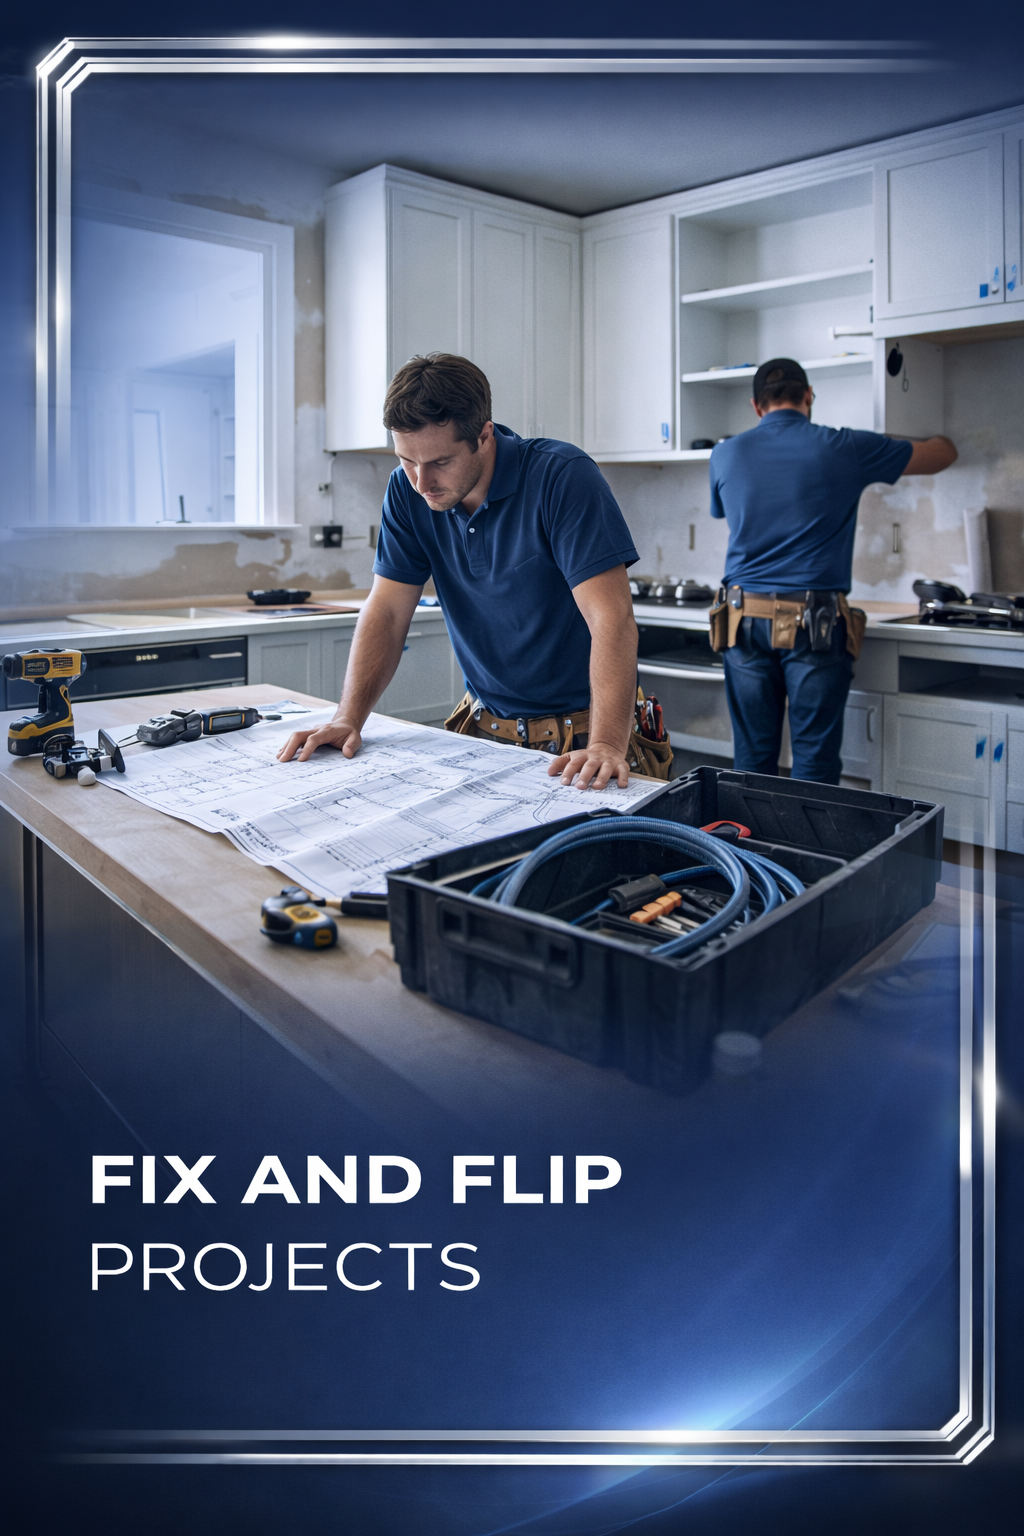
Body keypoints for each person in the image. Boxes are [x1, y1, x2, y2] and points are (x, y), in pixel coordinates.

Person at [278, 353, 671, 785]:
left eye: (440, 462)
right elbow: (388, 611)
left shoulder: (561, 477)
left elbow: (612, 620)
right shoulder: (406, 492)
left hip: (588, 739)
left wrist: (606, 745)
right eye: (406, 460)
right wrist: (348, 717)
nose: (420, 482)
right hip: (483, 731)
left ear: (484, 436)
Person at [708, 357, 957, 784]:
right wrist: (884, 441)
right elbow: (942, 454)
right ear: (808, 397)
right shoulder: (846, 447)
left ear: (755, 406)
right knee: (815, 763)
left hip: (741, 619)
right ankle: (806, 853)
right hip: (814, 624)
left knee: (752, 761)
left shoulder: (725, 452)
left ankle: (751, 851)